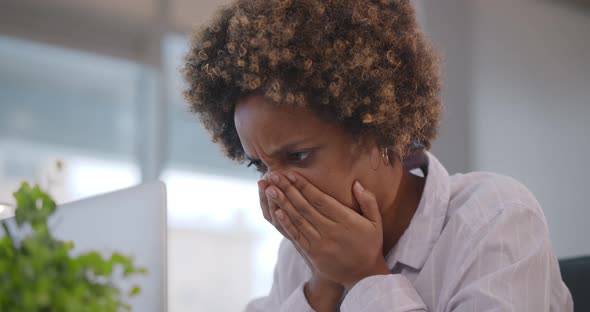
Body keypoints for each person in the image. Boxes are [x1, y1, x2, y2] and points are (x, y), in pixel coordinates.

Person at [182, 0, 573, 311]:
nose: (274, 188)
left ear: (376, 130)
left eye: (298, 156)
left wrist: (366, 277)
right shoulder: (299, 255)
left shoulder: (495, 218)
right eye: (260, 165)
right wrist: (322, 286)